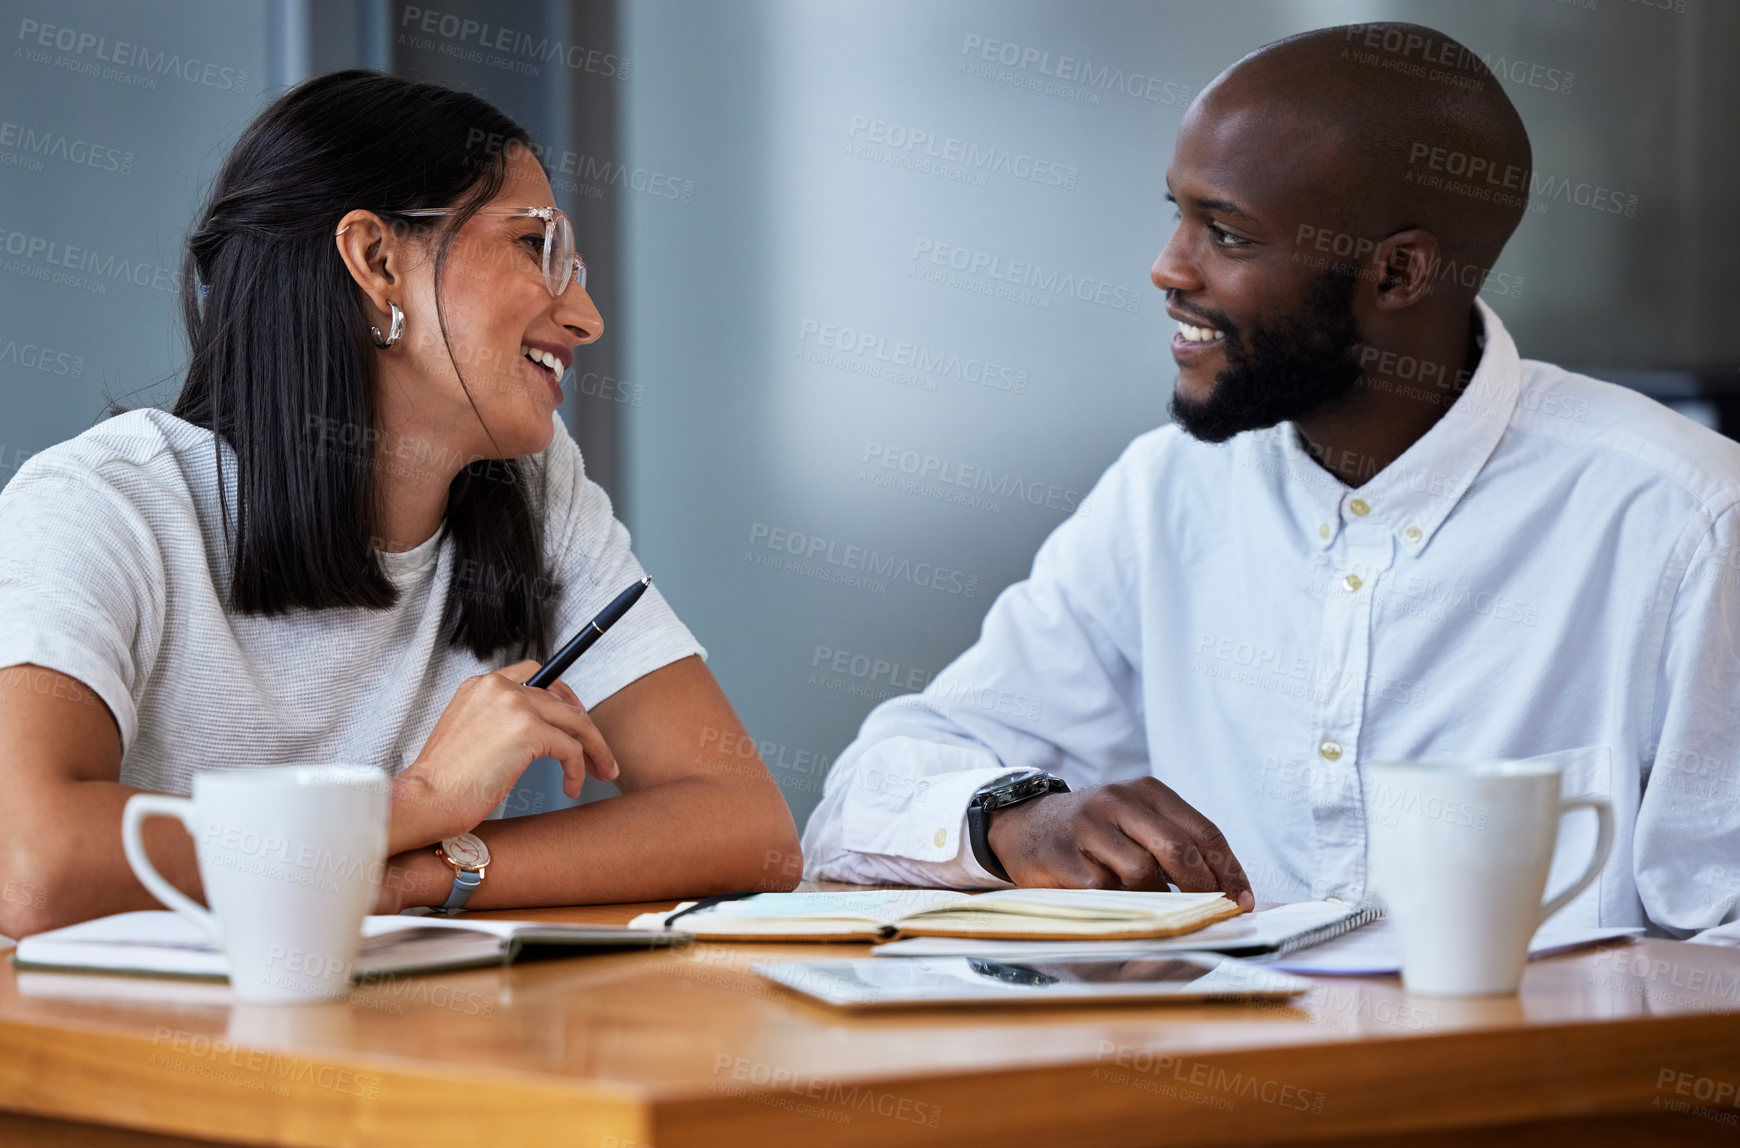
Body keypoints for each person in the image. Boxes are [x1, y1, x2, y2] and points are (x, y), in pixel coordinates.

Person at [803, 23, 1740, 941]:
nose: (1168, 268)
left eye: (1227, 234)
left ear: (1400, 270)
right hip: (1215, 1090)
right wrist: (1016, 818)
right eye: (1174, 213)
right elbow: (861, 798)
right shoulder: (1166, 494)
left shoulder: (1684, 520)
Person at [0, 71, 798, 940]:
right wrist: (416, 801)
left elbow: (746, 829)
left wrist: (412, 878)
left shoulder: (533, 491)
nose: (588, 316)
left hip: (378, 1053)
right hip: (126, 1063)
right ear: (377, 263)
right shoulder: (103, 504)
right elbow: (28, 865)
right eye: (536, 247)